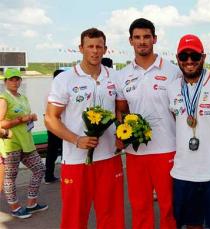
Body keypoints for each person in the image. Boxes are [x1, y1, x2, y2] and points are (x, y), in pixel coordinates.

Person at [45, 28, 125, 229]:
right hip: (76, 160)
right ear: (81, 48)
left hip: (109, 158)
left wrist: (122, 134)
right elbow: (50, 118)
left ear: (105, 49)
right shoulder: (64, 79)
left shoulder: (115, 77)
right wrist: (76, 139)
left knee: (112, 218)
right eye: (90, 46)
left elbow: (120, 112)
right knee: (74, 219)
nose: (95, 51)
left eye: (99, 47)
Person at [115, 18, 180, 229]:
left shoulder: (172, 71)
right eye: (137, 37)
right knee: (140, 206)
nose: (142, 41)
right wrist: (122, 133)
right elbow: (122, 111)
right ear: (130, 41)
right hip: (136, 154)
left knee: (169, 206)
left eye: (146, 37)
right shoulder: (122, 75)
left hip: (167, 149)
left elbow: (181, 112)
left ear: (154, 39)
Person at [167, 34, 210, 229]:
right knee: (191, 224)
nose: (189, 61)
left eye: (194, 56)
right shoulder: (172, 88)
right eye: (184, 56)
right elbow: (176, 118)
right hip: (183, 171)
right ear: (177, 59)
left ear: (203, 58)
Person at [0, 68, 47, 219]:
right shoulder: (3, 99)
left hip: (26, 142)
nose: (14, 82)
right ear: (5, 82)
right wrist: (21, 119)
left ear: (20, 80)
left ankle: (31, 203)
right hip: (11, 143)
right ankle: (15, 207)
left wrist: (31, 117)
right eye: (11, 79)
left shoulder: (23, 97)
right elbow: (1, 123)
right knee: (10, 177)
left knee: (39, 169)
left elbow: (25, 117)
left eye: (17, 79)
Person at [44, 69, 64, 184]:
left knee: (51, 151)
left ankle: (49, 176)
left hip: (51, 126)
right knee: (63, 150)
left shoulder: (49, 90)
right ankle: (53, 175)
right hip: (57, 125)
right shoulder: (55, 92)